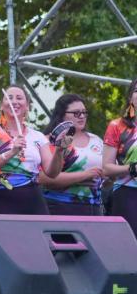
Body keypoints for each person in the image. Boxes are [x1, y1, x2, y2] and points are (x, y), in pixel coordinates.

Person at [0, 87, 68, 215]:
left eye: (19, 98)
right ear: (2, 106)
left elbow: (52, 173)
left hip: (33, 202)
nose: (14, 101)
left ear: (27, 106)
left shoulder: (38, 136)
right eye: (9, 98)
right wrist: (9, 153)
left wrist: (59, 150)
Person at [40, 94, 104, 216]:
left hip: (94, 208)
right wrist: (84, 176)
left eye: (84, 113)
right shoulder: (48, 141)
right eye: (76, 113)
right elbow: (44, 178)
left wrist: (109, 178)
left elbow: (107, 179)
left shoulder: (96, 140)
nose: (82, 116)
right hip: (60, 207)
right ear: (62, 115)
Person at [103, 79, 137, 237]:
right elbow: (107, 168)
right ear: (130, 97)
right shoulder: (117, 126)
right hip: (128, 193)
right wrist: (132, 169)